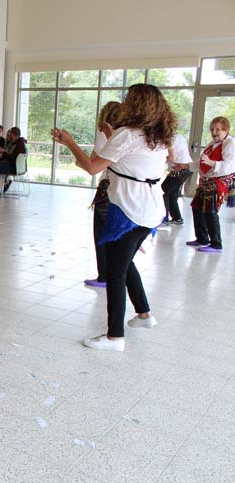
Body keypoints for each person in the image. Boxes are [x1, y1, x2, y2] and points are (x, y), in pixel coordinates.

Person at [52, 83, 174, 352]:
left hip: (130, 211)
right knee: (125, 260)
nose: (125, 102)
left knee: (115, 271)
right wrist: (111, 135)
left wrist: (70, 142)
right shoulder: (159, 136)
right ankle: (144, 315)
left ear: (137, 104)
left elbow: (92, 167)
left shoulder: (127, 135)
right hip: (151, 210)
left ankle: (114, 337)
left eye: (129, 99)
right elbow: (132, 160)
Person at [84, 101, 122, 289]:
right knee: (116, 234)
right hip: (121, 191)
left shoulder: (105, 135)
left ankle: (104, 275)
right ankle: (114, 274)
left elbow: (92, 164)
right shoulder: (126, 134)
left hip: (107, 189)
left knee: (101, 233)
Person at [187, 116, 235, 253]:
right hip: (206, 182)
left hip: (217, 183)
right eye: (212, 129)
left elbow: (230, 166)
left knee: (210, 212)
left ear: (226, 130)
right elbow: (202, 162)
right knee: (196, 207)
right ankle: (202, 238)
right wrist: (186, 165)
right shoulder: (212, 144)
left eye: (218, 129)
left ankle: (216, 244)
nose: (214, 132)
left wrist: (213, 163)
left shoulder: (230, 143)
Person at [160, 132, 193, 226]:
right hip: (186, 169)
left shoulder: (169, 138)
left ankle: (164, 219)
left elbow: (172, 158)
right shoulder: (178, 136)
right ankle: (177, 218)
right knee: (172, 194)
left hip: (179, 169)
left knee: (163, 191)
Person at [0, 127, 26, 197]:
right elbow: (11, 155)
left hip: (14, 167)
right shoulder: (15, 142)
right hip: (12, 164)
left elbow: (13, 158)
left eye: (10, 133)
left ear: (14, 134)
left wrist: (4, 152)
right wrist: (3, 152)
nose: (9, 135)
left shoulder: (19, 144)